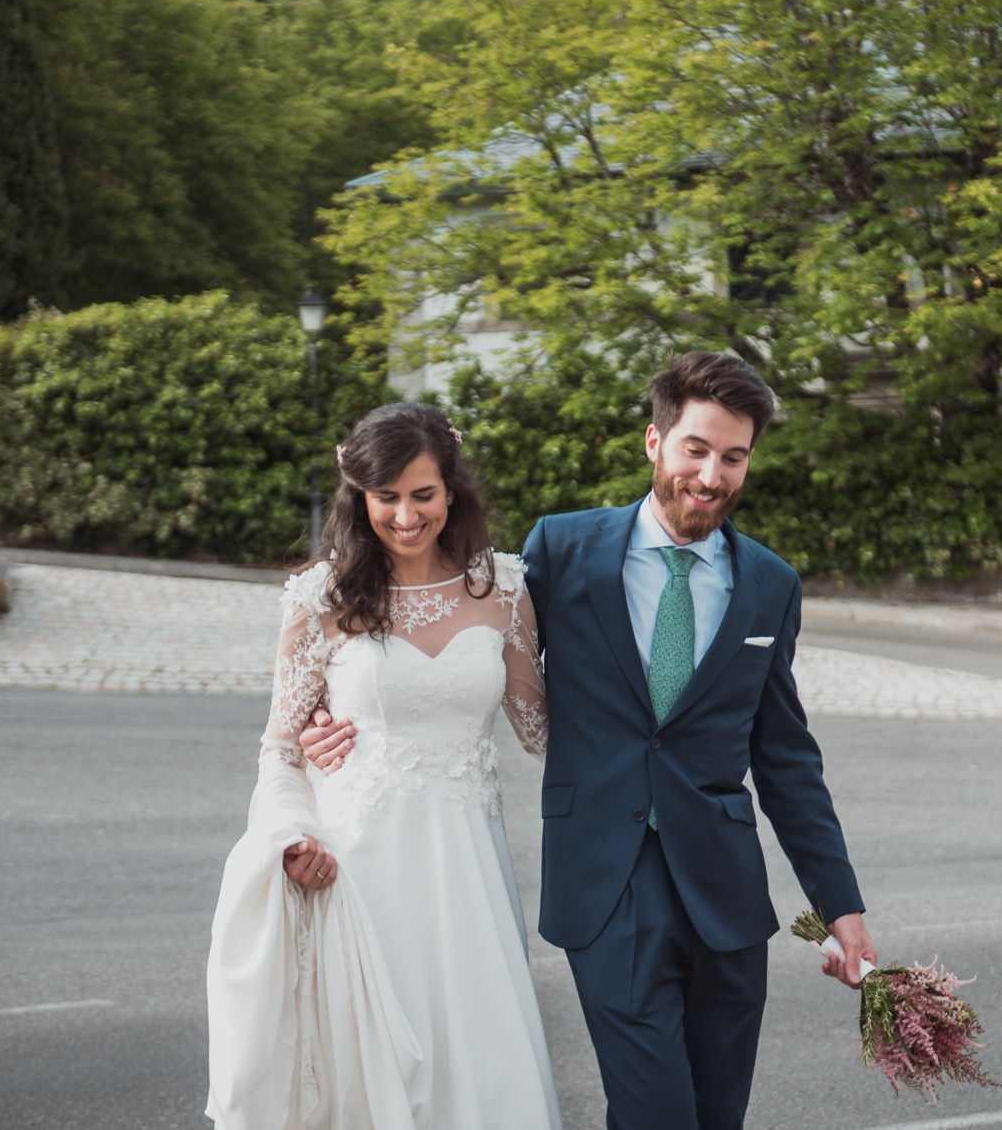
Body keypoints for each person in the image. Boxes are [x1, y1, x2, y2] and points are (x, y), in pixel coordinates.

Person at [303, 352, 875, 1130]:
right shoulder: (561, 550)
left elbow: (785, 757)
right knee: (657, 1116)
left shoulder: (772, 583)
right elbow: (444, 610)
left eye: (733, 456)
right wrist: (343, 705)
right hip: (607, 887)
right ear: (655, 441)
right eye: (696, 450)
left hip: (727, 900)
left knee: (716, 1117)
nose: (712, 475)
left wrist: (840, 904)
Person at [205, 402, 560, 1130]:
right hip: (359, 865)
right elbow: (279, 745)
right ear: (359, 497)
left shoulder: (505, 589)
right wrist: (293, 831)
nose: (405, 515)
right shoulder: (320, 598)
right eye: (386, 497)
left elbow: (542, 730)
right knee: (369, 1059)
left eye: (422, 494)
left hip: (468, 871)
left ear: (451, 489)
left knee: (479, 1055)